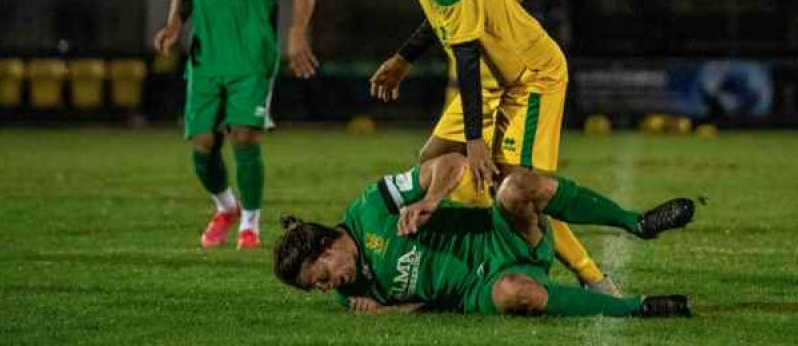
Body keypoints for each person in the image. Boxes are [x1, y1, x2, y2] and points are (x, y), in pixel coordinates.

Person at [367, 0, 619, 296]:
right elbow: (440, 19)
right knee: (434, 159)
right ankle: (484, 242)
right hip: (490, 80)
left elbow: (465, 55)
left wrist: (475, 140)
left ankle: (592, 277)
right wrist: (403, 58)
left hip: (530, 74)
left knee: (513, 183)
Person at [272, 152, 695, 317]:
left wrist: (432, 199)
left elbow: (452, 162)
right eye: (319, 289)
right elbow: (425, 309)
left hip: (501, 236)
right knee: (517, 293)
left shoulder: (373, 206)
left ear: (326, 245)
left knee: (517, 187)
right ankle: (638, 308)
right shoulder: (355, 296)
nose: (330, 288)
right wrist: (389, 313)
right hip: (481, 287)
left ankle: (635, 222)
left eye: (321, 277)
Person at [153, 0, 318, 250]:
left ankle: (250, 225)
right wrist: (175, 24)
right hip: (205, 58)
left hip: (252, 58)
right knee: (203, 145)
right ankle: (225, 207)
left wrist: (296, 34)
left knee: (244, 136)